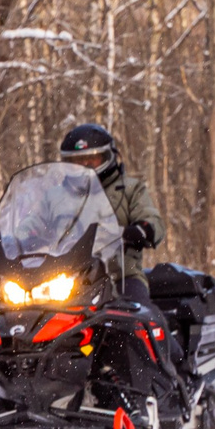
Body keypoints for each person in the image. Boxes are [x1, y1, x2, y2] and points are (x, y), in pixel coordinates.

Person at [58, 123, 165, 306]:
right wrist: (14, 238)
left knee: (137, 312)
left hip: (120, 276)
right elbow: (32, 223)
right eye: (77, 161)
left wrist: (140, 230)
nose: (85, 165)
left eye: (91, 159)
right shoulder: (55, 196)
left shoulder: (130, 189)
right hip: (63, 279)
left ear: (107, 157)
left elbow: (152, 219)